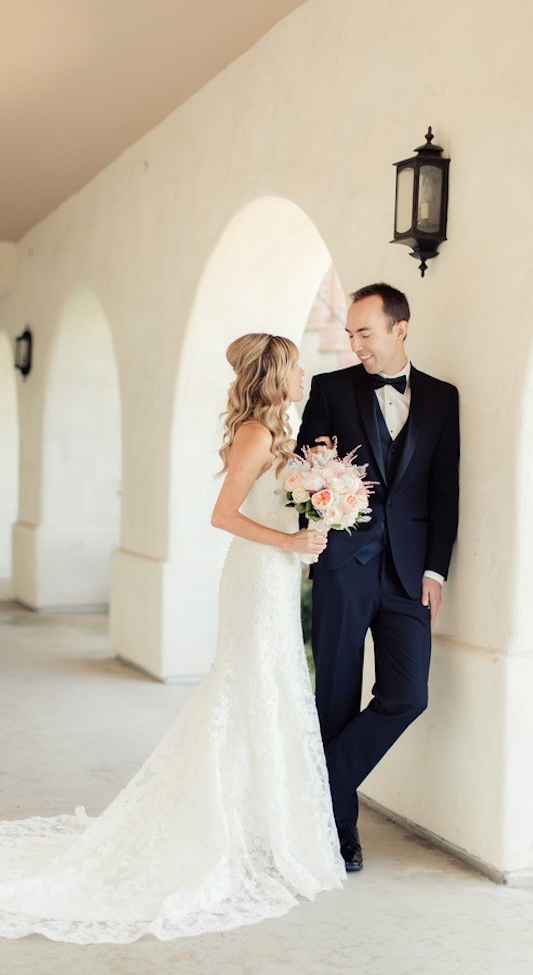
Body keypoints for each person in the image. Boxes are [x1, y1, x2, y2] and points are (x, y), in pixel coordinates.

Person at [0, 333, 344, 945]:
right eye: (296, 366)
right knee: (247, 688)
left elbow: (273, 508)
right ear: (276, 374)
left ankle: (256, 826)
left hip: (273, 576)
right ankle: (227, 831)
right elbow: (222, 516)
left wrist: (311, 524)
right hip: (255, 577)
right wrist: (291, 544)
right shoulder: (256, 434)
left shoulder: (281, 434)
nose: (304, 374)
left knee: (268, 688)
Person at [297, 282, 460, 873]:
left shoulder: (443, 399)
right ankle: (338, 833)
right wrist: (320, 515)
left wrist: (436, 570)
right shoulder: (331, 389)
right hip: (345, 567)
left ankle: (315, 786)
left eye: (365, 332)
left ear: (401, 328)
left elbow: (445, 493)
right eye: (350, 333)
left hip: (410, 576)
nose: (355, 343)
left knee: (407, 695)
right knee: (334, 697)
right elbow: (302, 471)